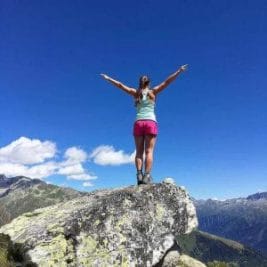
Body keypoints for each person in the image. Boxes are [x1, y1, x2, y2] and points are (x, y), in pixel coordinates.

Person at [100, 64, 188, 185]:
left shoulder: (135, 93)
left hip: (138, 123)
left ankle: (139, 175)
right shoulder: (153, 92)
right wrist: (179, 71)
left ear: (140, 83)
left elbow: (120, 85)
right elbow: (167, 82)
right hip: (150, 122)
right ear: (149, 83)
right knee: (149, 151)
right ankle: (147, 176)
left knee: (139, 152)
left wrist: (108, 78)